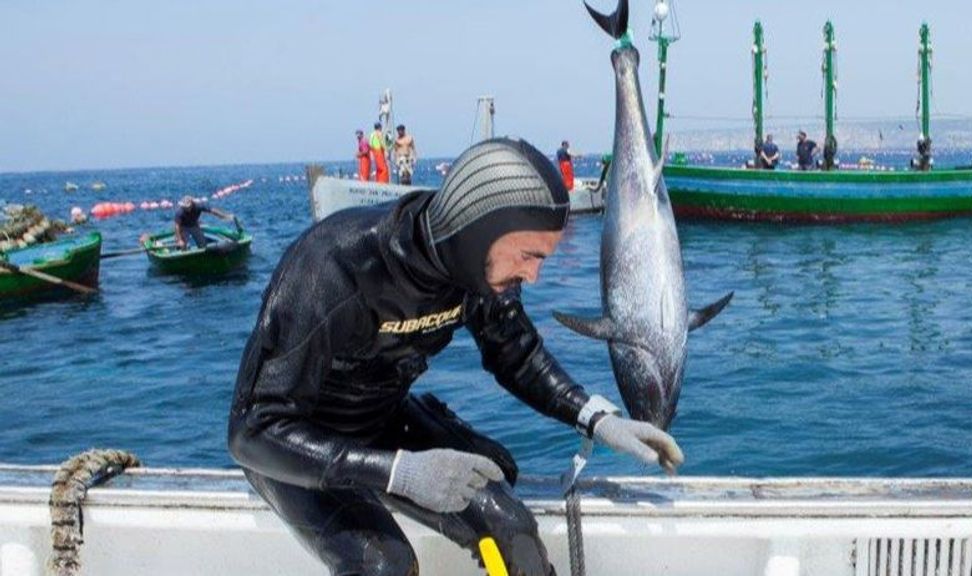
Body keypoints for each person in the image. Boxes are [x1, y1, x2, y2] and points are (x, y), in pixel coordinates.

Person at [228, 138, 683, 576]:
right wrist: (399, 473)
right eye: (528, 256)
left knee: (513, 528)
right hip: (296, 448)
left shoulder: (478, 271)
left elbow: (517, 354)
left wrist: (598, 419)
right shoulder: (332, 267)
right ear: (476, 229)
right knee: (385, 565)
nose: (534, 275)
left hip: (381, 421)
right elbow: (253, 429)